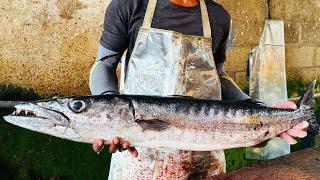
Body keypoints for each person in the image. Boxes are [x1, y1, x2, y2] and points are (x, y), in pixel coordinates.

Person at [89, 0, 309, 179]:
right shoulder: (129, 6)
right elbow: (104, 66)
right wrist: (112, 115)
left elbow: (218, 77)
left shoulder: (218, 16)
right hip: (139, 153)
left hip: (205, 157)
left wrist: (258, 111)